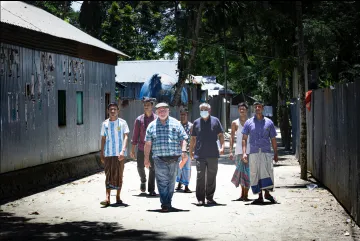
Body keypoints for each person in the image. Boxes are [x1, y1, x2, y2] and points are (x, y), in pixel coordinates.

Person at [144, 102, 188, 212]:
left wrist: (183, 152)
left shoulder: (176, 124)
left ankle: (167, 202)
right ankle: (165, 204)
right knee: (162, 182)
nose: (162, 112)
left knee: (171, 182)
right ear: (156, 112)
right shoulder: (151, 126)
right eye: (160, 111)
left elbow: (183, 139)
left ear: (169, 111)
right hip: (159, 159)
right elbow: (148, 144)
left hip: (174, 158)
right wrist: (146, 159)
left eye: (164, 110)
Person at [242, 101, 278, 204]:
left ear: (263, 108)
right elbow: (244, 139)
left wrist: (276, 153)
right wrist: (244, 153)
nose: (257, 108)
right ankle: (259, 196)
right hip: (253, 152)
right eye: (256, 107)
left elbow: (273, 139)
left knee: (266, 172)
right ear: (254, 109)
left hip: (266, 152)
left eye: (259, 106)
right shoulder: (249, 122)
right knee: (255, 173)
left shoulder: (269, 122)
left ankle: (267, 193)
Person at [189, 103, 225, 206]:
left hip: (213, 154)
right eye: (202, 109)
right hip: (200, 154)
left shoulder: (215, 121)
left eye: (205, 109)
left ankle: (210, 198)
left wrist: (222, 147)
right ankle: (200, 199)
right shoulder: (196, 123)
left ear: (210, 110)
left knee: (211, 177)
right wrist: (191, 151)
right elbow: (193, 139)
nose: (203, 111)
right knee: (200, 177)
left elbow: (221, 135)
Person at [100, 102, 129, 207]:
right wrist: (101, 152)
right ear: (108, 111)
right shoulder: (105, 124)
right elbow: (103, 138)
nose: (112, 111)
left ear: (118, 111)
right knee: (108, 174)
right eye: (110, 109)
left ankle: (118, 196)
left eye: (114, 109)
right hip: (108, 154)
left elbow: (126, 136)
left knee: (119, 175)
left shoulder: (123, 123)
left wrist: (123, 150)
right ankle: (107, 198)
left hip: (119, 154)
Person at [130, 97, 158, 196]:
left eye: (148, 105)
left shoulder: (156, 119)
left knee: (153, 168)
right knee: (139, 167)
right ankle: (143, 180)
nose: (146, 107)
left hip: (153, 149)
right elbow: (135, 136)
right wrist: (132, 150)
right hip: (141, 148)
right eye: (144, 105)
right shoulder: (139, 120)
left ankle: (151, 189)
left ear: (152, 106)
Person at [230, 102, 251, 201]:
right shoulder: (235, 123)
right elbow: (232, 137)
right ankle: (242, 194)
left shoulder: (251, 122)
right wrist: (230, 151)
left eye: (244, 109)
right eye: (240, 109)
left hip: (250, 151)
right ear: (238, 110)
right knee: (241, 173)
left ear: (247, 110)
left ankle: (246, 194)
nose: (242, 110)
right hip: (238, 151)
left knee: (248, 173)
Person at [175, 106, 193, 193]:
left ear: (187, 115)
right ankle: (179, 184)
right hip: (177, 150)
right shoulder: (177, 125)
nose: (182, 116)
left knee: (187, 168)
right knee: (179, 167)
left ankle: (186, 186)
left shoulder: (191, 126)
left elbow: (193, 138)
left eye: (184, 115)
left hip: (188, 150)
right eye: (181, 115)